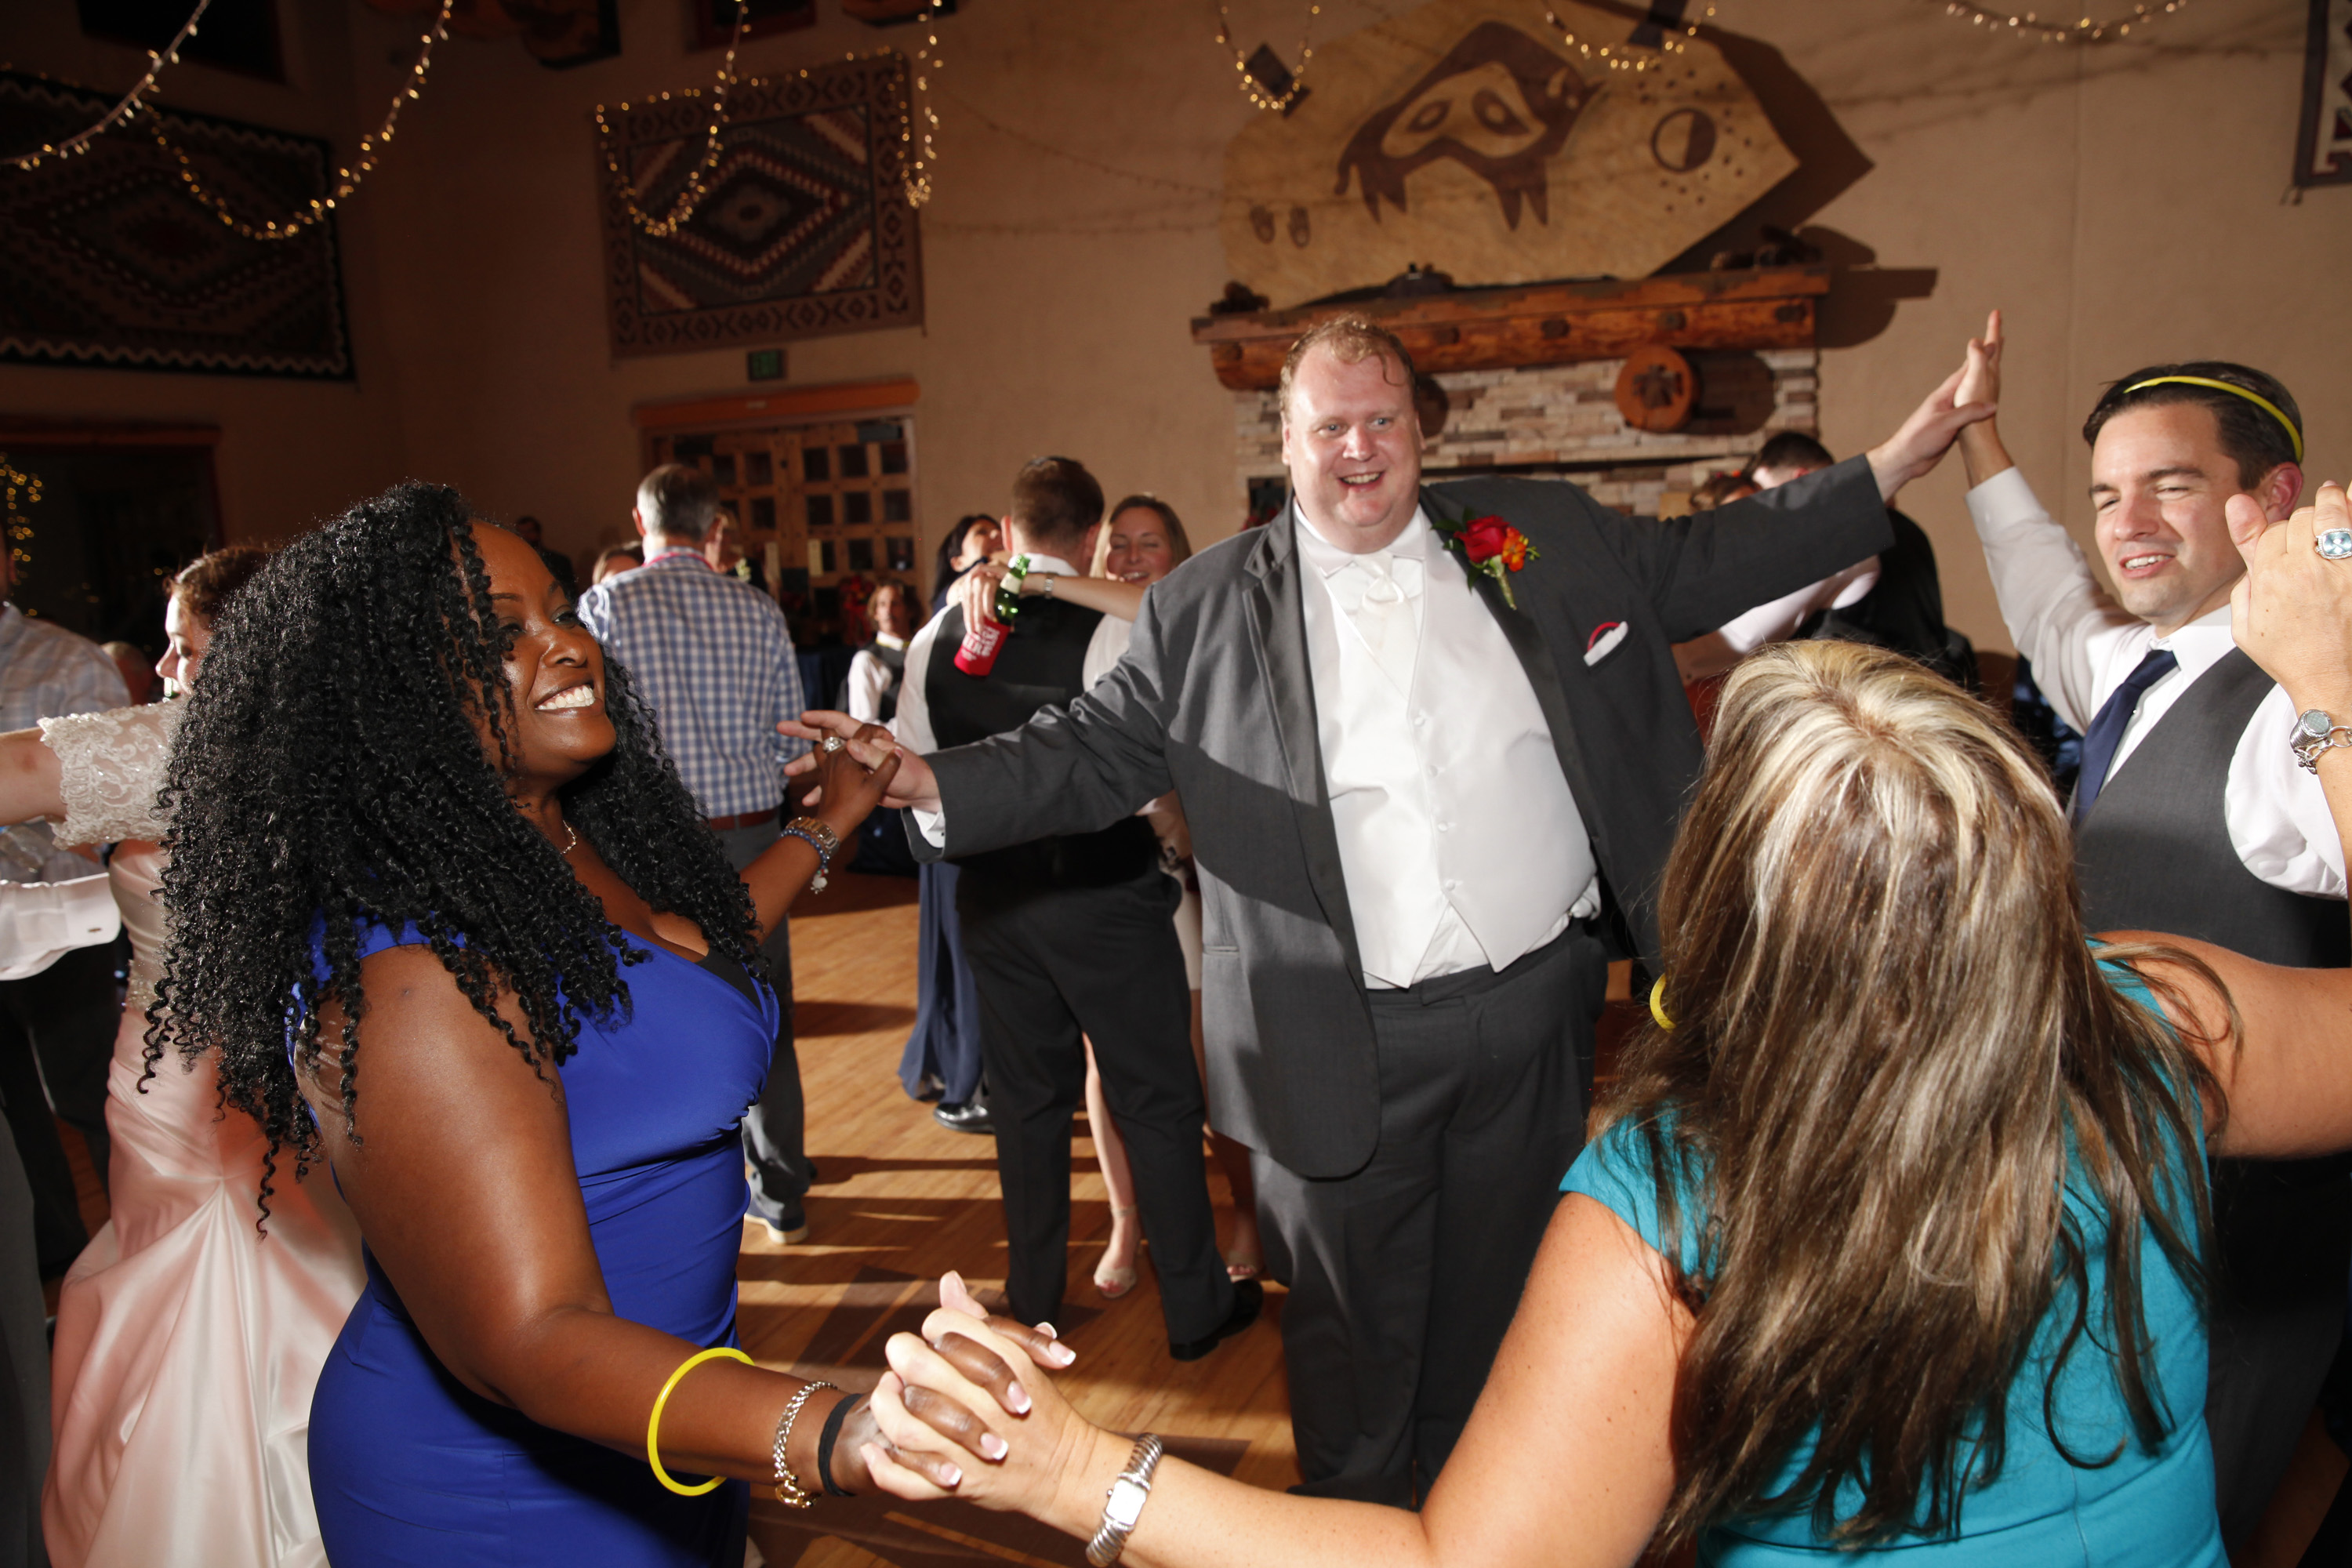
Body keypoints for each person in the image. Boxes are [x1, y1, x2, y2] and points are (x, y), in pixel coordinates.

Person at [866, 483, 2352, 1559]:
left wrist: (1079, 1477)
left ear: (1725, 889)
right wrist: (2336, 690)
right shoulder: (2160, 1019)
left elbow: (1460, 1565)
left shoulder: (1673, 1202)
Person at [793, 314, 1982, 1503]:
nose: (1358, 449)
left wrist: (1898, 458)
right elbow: (1087, 755)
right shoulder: (1203, 609)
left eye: (1381, 421)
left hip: (1535, 1019)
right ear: (1288, 442)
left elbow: (1706, 558)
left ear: (1418, 429)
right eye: (1330, 427)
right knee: (1357, 1368)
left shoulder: (1541, 537)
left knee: (1495, 1333)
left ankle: (1472, 1527)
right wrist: (917, 776)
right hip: (1337, 1040)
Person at [143, 488, 1051, 1568]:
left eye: (561, 611)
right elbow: (535, 1340)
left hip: (666, 1423)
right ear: (392, 701)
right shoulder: (413, 981)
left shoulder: (560, 845)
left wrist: (826, 824)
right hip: (498, 1492)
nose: (566, 645)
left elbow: (688, 958)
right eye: (502, 635)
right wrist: (840, 1429)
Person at [1954, 312, 2339, 1544]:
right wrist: (1978, 434)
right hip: (2115, 1206)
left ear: (2268, 500)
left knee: (2196, 1510)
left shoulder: (2302, 708)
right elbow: (2042, 584)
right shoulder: (2137, 669)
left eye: (2172, 487)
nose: (2127, 524)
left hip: (2252, 1234)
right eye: (2110, 493)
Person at [0, 546, 368, 1568]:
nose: (165, 673)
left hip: (190, 1091)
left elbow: (17, 772)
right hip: (279, 1080)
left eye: (182, 648)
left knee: (209, 1299)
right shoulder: (338, 753)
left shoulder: (196, 747)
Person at [895, 458, 1247, 1359]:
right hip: (1101, 891)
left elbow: (915, 764)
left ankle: (1034, 1296)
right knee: (1158, 1100)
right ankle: (1197, 1309)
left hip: (994, 897)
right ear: (1092, 540)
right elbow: (1153, 759)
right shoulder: (1112, 629)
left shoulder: (937, 633)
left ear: (1007, 534)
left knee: (1026, 1104)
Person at [577, 465, 817, 1244]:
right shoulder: (755, 607)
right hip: (751, 834)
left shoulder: (606, 605)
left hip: (651, 842)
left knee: (659, 1014)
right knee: (763, 1011)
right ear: (713, 524)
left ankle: (687, 1194)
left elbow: (585, 727)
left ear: (640, 519)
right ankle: (784, 1188)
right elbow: (791, 737)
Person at [0, 546, 129, 1280]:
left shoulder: (66, 661)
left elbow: (110, 809)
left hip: (66, 932)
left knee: (90, 1101)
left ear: (10, 563)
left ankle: (130, 1258)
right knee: (16, 1124)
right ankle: (53, 1264)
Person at [1674, 432, 1969, 688]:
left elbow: (1745, 638)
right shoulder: (1898, 523)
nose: (1761, 525)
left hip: (1874, 706)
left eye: (1765, 501)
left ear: (1801, 482)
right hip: (1927, 688)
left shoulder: (1832, 534)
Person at [847, 580, 916, 725]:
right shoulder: (867, 660)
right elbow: (864, 725)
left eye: (895, 603)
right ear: (876, 613)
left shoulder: (922, 649)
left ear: (910, 610)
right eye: (882, 604)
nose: (888, 611)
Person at [931, 514, 1004, 617]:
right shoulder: (946, 597)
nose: (997, 533)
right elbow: (955, 593)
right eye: (982, 532)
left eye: (1000, 530)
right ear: (958, 563)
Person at [513, 514, 580, 597]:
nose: (524, 536)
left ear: (538, 533)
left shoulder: (560, 562)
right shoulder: (513, 563)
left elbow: (570, 592)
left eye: (529, 532)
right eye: (520, 533)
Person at [97, 642, 153, 706]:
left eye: (118, 679)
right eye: (103, 680)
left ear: (146, 677)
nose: (108, 687)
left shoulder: (163, 712)